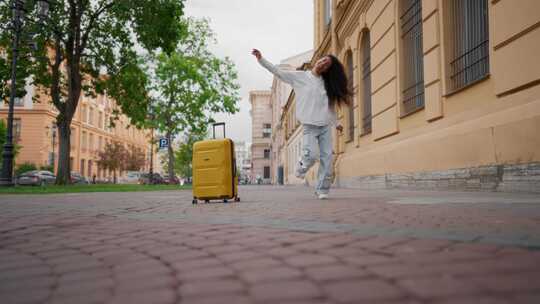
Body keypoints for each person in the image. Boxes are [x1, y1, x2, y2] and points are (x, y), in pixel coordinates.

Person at [252, 49, 351, 199]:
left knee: (327, 158)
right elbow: (278, 72)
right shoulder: (300, 77)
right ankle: (301, 167)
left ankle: (322, 190)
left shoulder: (326, 84)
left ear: (327, 71)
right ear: (319, 60)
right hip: (309, 125)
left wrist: (336, 123)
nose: (323, 64)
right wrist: (261, 60)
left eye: (327, 65)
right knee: (311, 155)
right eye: (323, 60)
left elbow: (329, 107)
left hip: (324, 126)